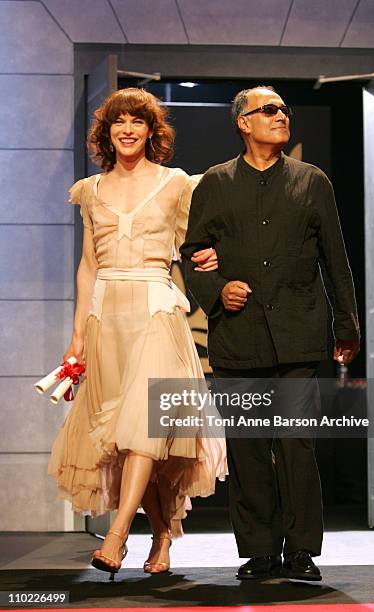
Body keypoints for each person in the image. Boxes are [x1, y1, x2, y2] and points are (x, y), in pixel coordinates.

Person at [180, 85, 360, 582]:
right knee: (249, 445)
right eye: (269, 110)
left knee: (297, 443)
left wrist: (348, 325)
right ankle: (259, 550)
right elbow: (191, 254)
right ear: (244, 122)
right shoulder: (215, 183)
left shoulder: (312, 181)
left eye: (284, 110)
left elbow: (336, 259)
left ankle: (301, 551)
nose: (281, 116)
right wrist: (217, 290)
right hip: (239, 337)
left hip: (299, 333)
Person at [48, 87, 226, 579]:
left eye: (137, 121)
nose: (127, 129)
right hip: (108, 318)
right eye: (117, 121)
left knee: (147, 425)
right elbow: (87, 265)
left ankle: (118, 533)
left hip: (157, 312)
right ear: (106, 132)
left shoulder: (176, 184)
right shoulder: (89, 190)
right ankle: (164, 533)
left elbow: (199, 245)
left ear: (152, 131)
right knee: (126, 442)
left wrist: (210, 259)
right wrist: (78, 333)